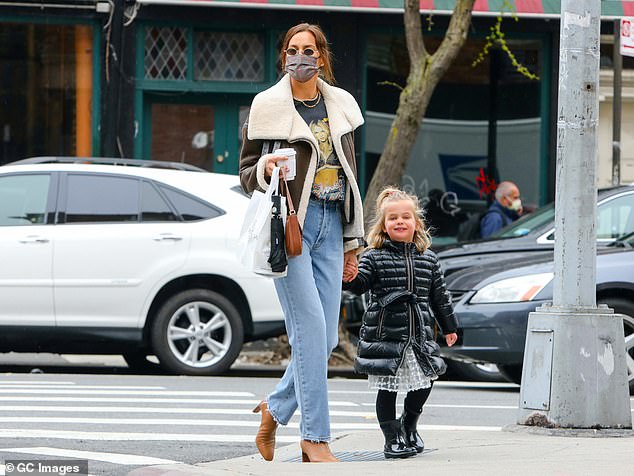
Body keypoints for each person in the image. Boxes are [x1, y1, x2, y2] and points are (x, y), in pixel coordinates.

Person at [239, 23, 365, 463]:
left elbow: (350, 174)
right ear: (283, 57)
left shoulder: (341, 105)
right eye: (292, 50)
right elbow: (245, 174)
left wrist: (353, 241)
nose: (300, 57)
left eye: (308, 50)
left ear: (322, 56)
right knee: (311, 330)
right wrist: (266, 167)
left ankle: (275, 408)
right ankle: (315, 437)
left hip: (333, 222)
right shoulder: (267, 106)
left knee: (326, 336)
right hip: (292, 226)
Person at [343, 187, 458, 459]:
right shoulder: (374, 255)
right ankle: (391, 437)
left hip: (419, 332)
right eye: (392, 218)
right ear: (383, 225)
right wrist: (350, 276)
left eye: (405, 216)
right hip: (385, 333)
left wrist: (450, 326)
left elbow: (439, 295)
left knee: (427, 380)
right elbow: (360, 285)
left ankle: (409, 423)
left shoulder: (428, 257)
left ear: (416, 223)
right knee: (387, 388)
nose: (400, 222)